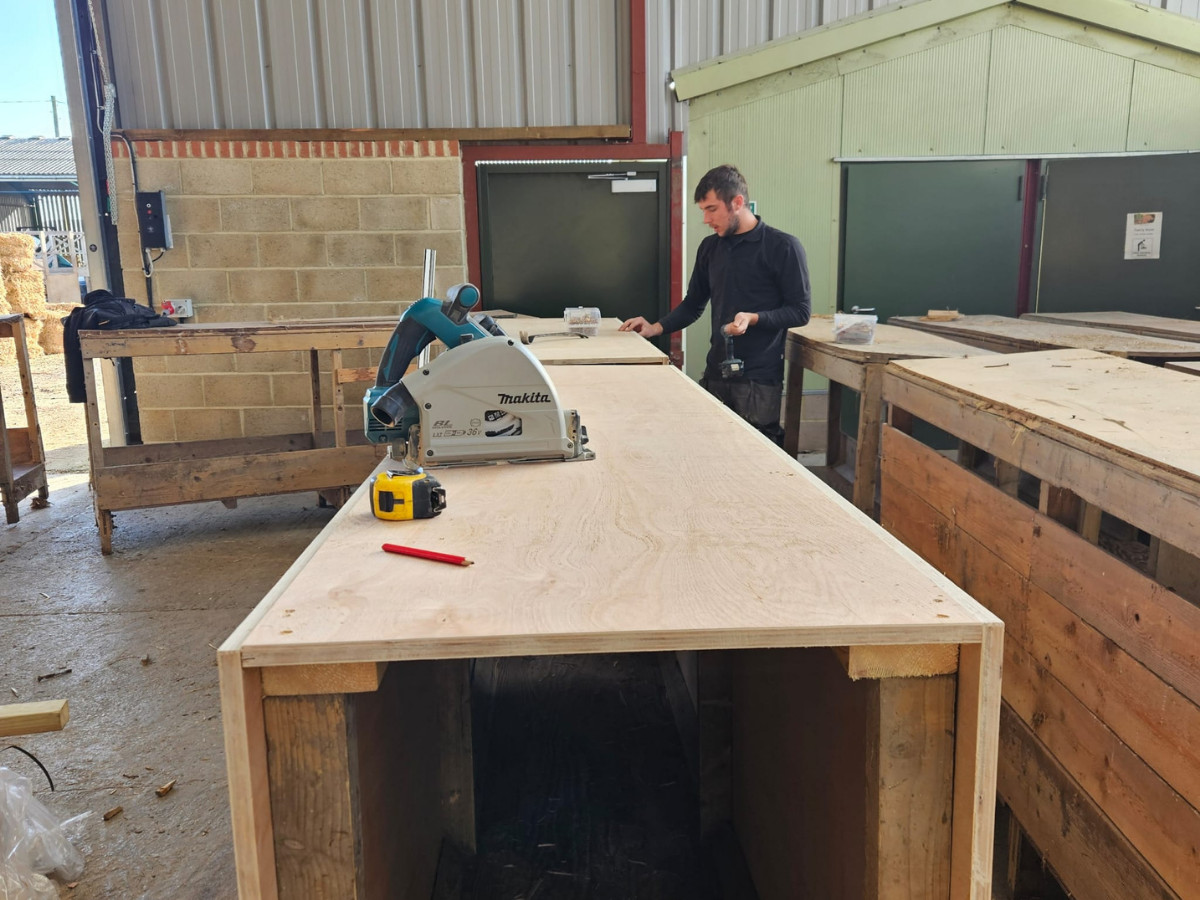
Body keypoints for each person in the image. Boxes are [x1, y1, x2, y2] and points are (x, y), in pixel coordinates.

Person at [619, 164, 810, 445]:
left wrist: (753, 318)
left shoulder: (783, 246)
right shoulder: (710, 248)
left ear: (737, 202)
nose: (706, 219)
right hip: (716, 371)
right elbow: (693, 304)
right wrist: (655, 327)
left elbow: (800, 311)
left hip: (758, 379)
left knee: (756, 453)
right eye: (703, 211)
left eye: (711, 209)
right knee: (708, 447)